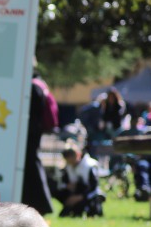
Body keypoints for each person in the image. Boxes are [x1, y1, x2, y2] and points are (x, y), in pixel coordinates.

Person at [21, 76, 58, 215]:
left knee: (32, 166)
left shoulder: (32, 87)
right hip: (36, 131)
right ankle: (40, 204)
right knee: (34, 165)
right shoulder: (41, 84)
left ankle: (42, 205)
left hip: (31, 132)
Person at [56, 140, 106, 217]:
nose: (71, 164)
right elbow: (62, 184)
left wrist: (79, 197)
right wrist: (68, 186)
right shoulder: (68, 167)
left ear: (78, 155)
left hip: (89, 195)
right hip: (75, 193)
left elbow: (94, 187)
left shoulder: (90, 166)